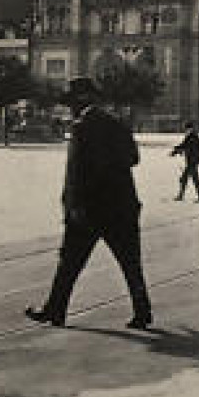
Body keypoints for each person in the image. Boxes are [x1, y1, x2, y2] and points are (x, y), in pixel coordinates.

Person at [26, 77, 152, 330]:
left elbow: (76, 173)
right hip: (122, 206)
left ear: (79, 101)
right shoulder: (117, 123)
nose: (70, 108)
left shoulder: (82, 126)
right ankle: (143, 312)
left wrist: (72, 205)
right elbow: (133, 158)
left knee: (69, 264)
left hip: (89, 210)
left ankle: (55, 310)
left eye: (71, 102)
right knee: (130, 263)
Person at [169, 120, 199, 202]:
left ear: (191, 128)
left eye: (187, 129)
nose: (186, 130)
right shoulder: (190, 136)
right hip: (191, 160)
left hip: (193, 160)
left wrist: (177, 150)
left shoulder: (193, 136)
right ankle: (183, 195)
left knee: (189, 178)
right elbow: (184, 145)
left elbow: (187, 146)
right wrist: (176, 151)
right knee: (187, 178)